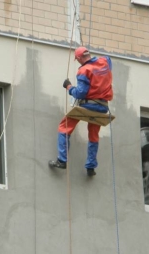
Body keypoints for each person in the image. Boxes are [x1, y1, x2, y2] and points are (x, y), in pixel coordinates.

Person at [48, 47, 113, 177]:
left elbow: (80, 93)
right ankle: (90, 167)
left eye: (77, 59)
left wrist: (69, 87)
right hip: (103, 108)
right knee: (94, 136)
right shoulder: (105, 62)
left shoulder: (84, 71)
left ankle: (62, 160)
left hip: (89, 106)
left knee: (64, 127)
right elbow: (108, 59)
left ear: (79, 58)